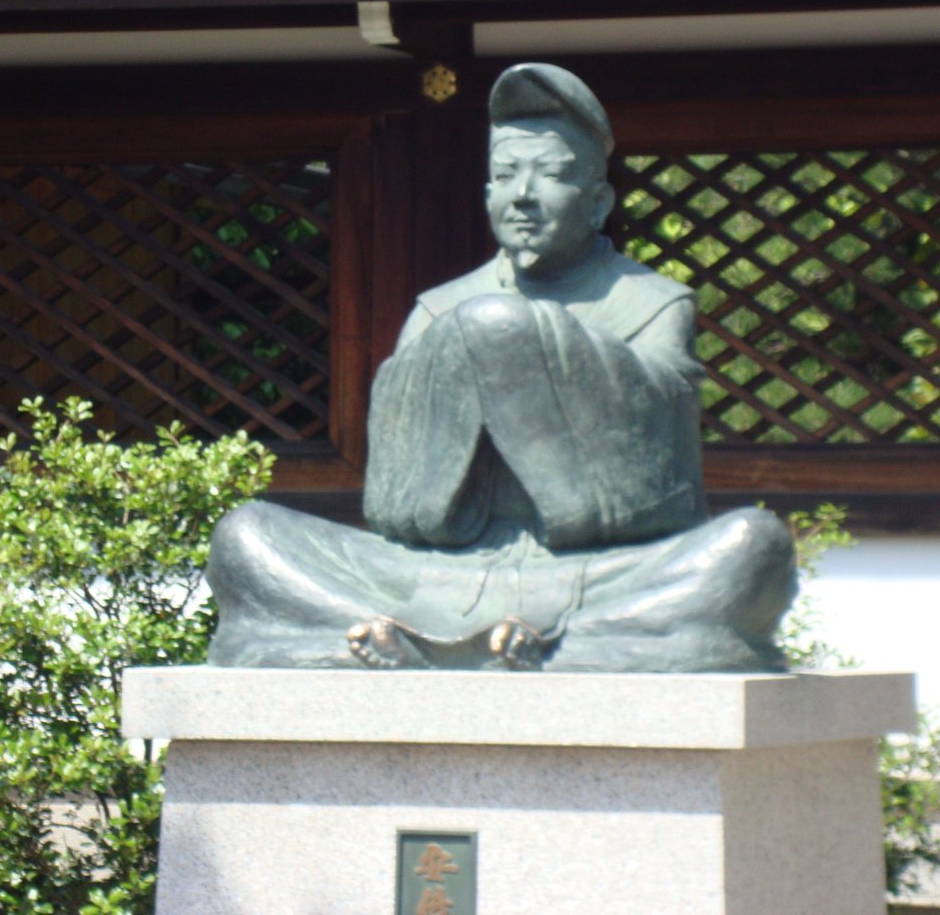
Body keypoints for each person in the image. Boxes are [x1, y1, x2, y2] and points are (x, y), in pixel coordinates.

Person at [206, 63, 796, 671]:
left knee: (753, 548)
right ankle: (559, 647)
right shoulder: (440, 310)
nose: (523, 195)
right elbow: (395, 503)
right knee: (245, 538)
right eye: (505, 175)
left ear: (598, 202)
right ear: (487, 192)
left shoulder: (651, 305)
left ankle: (445, 643)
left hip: (600, 573)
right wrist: (468, 349)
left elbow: (660, 485)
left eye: (552, 175)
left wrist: (525, 348)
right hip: (429, 573)